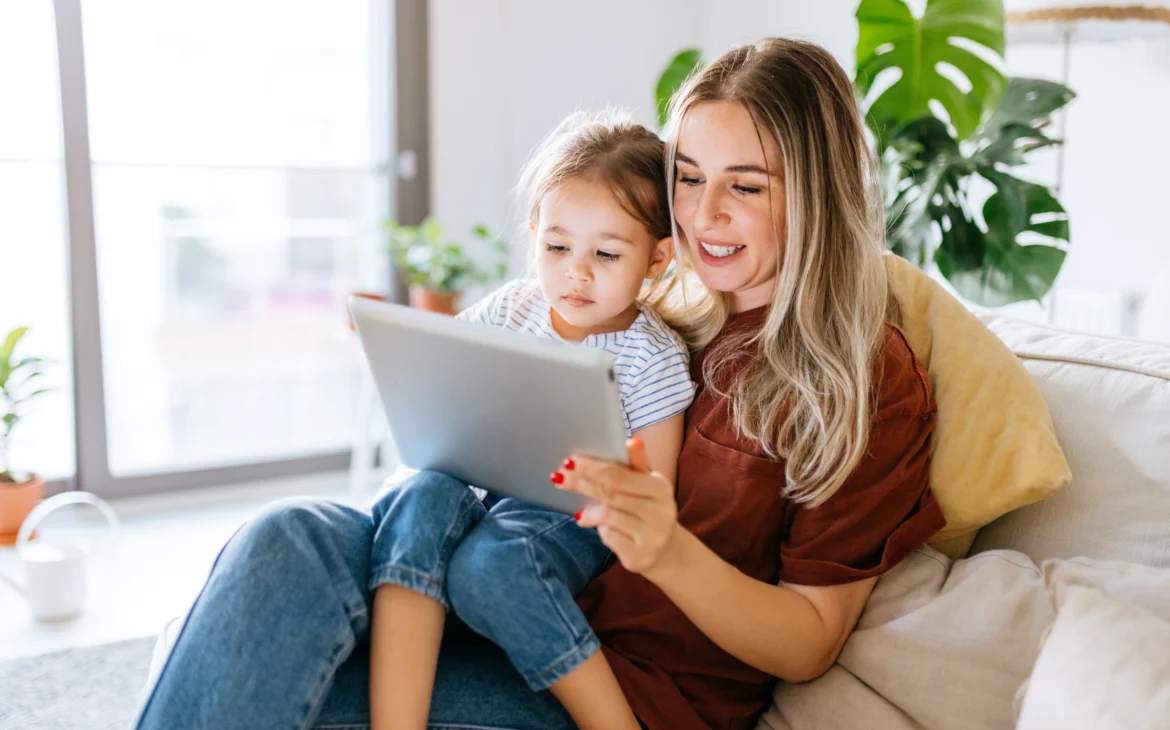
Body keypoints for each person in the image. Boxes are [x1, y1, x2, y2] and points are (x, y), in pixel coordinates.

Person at [133, 37, 945, 730]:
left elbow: (808, 640)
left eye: (748, 185)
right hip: (475, 582)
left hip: (599, 675)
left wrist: (665, 550)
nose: (703, 215)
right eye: (689, 178)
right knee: (286, 535)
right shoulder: (665, 302)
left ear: (817, 192)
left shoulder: (862, 378)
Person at [367, 111, 693, 730]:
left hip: (569, 516)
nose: (576, 270)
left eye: (606, 253)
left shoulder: (652, 356)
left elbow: (657, 492)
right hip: (482, 485)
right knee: (418, 496)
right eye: (557, 246)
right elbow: (441, 377)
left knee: (498, 561)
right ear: (534, 232)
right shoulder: (513, 306)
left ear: (656, 260)